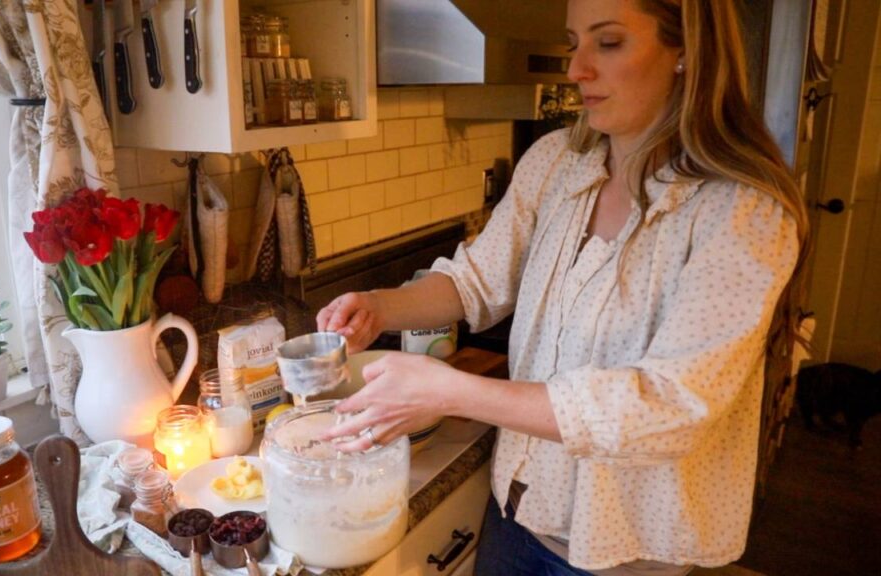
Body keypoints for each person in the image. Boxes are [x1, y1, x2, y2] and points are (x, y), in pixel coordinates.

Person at [315, 0, 809, 574]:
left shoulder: (741, 211)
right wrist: (378, 308)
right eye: (574, 42)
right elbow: (476, 281)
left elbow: (671, 405)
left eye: (608, 42)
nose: (576, 69)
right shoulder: (557, 162)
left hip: (621, 554)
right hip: (516, 514)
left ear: (686, 51)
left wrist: (450, 392)